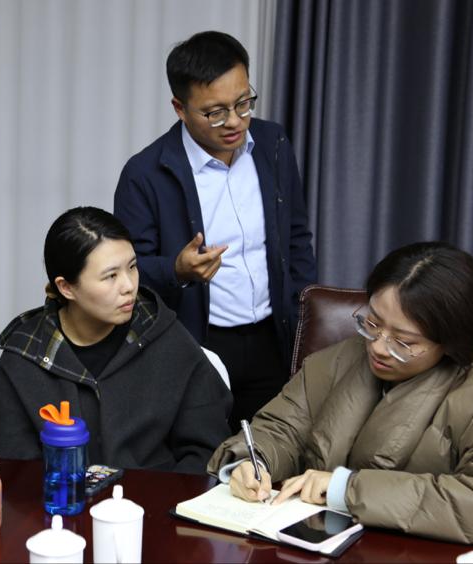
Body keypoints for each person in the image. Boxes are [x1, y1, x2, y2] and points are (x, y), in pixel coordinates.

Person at [208, 242, 473, 544]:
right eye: (373, 323)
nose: (378, 346)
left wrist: (348, 489)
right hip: (308, 542)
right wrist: (253, 462)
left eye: (403, 342)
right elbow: (281, 429)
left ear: (450, 341)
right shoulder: (338, 360)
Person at [114, 31, 317, 431]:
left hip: (273, 338)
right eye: (215, 112)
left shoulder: (273, 144)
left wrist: (303, 316)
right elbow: (126, 272)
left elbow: (296, 238)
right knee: (201, 455)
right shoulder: (145, 173)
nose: (235, 121)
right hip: (198, 344)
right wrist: (176, 270)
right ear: (180, 108)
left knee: (269, 453)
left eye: (243, 103)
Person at [0, 206, 232, 474]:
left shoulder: (165, 337)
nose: (129, 286)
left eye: (132, 267)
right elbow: (13, 468)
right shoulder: (25, 356)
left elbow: (206, 449)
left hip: (158, 497)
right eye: (110, 276)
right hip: (57, 498)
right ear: (66, 287)